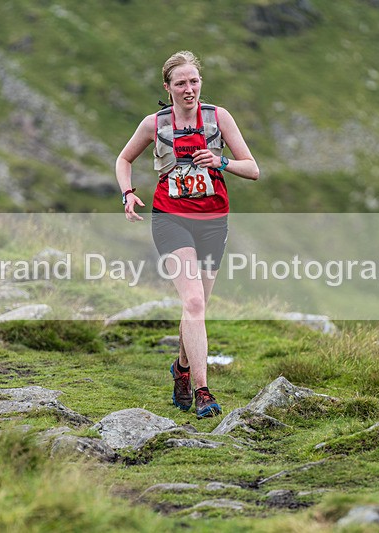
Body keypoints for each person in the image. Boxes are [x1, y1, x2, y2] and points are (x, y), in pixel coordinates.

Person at [115, 50, 259, 418]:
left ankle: (181, 368)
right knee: (193, 303)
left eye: (194, 81)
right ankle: (203, 391)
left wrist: (221, 160)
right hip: (170, 219)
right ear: (168, 87)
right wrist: (128, 193)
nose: (189, 88)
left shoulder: (218, 117)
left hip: (213, 222)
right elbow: (124, 159)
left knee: (198, 308)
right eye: (181, 83)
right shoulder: (154, 124)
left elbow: (253, 169)